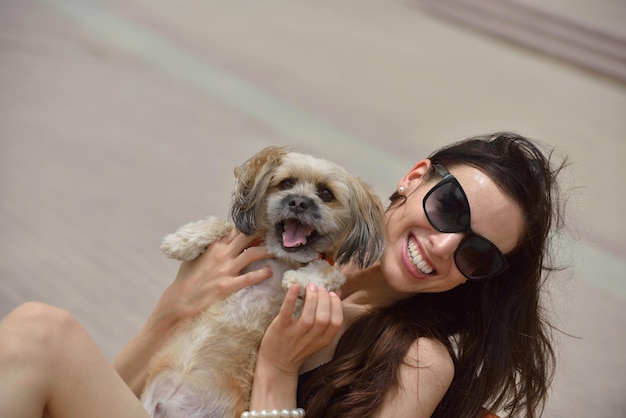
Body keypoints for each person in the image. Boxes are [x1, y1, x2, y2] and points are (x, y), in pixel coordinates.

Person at [0, 132, 566, 418]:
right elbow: (127, 394)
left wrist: (277, 365)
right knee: (42, 330)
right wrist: (170, 315)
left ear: (482, 277)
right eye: (449, 208)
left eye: (478, 254)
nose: (443, 247)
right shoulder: (269, 260)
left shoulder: (418, 359)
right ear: (416, 177)